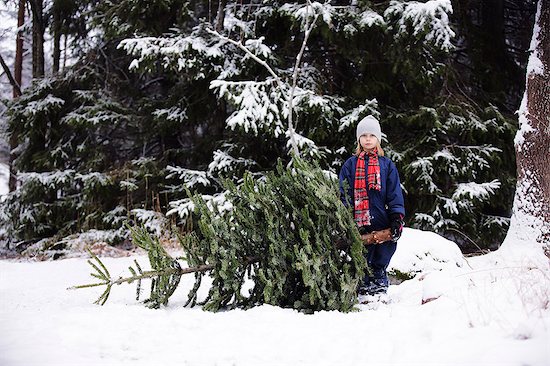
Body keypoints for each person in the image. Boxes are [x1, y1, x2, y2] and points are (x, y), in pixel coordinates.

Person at [339, 115, 405, 295]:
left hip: (380, 215)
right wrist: (346, 214)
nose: (368, 139)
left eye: (372, 135)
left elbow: (394, 193)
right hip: (358, 216)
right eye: (364, 135)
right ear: (359, 139)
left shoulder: (387, 165)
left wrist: (396, 217)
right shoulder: (350, 165)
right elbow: (343, 192)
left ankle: (379, 274)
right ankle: (364, 277)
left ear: (378, 139)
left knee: (385, 245)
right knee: (362, 248)